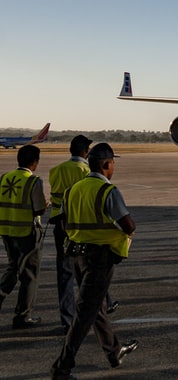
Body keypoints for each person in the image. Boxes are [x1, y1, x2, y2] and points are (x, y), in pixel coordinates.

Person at [50, 143, 138, 379]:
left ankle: (114, 351)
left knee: (95, 307)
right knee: (84, 314)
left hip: (77, 255)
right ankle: (62, 368)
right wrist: (123, 239)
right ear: (107, 164)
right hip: (100, 258)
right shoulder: (108, 191)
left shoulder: (73, 190)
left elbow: (63, 223)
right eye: (113, 164)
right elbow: (128, 225)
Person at [48, 135, 120, 334]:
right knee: (91, 271)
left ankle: (67, 318)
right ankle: (101, 306)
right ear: (85, 152)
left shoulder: (56, 170)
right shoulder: (86, 171)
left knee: (64, 273)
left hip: (60, 225)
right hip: (81, 228)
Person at [0, 144, 47, 328]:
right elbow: (39, 209)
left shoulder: (4, 178)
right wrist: (46, 204)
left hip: (6, 230)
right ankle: (22, 316)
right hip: (26, 233)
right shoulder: (33, 181)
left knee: (12, 268)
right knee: (29, 274)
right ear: (35, 162)